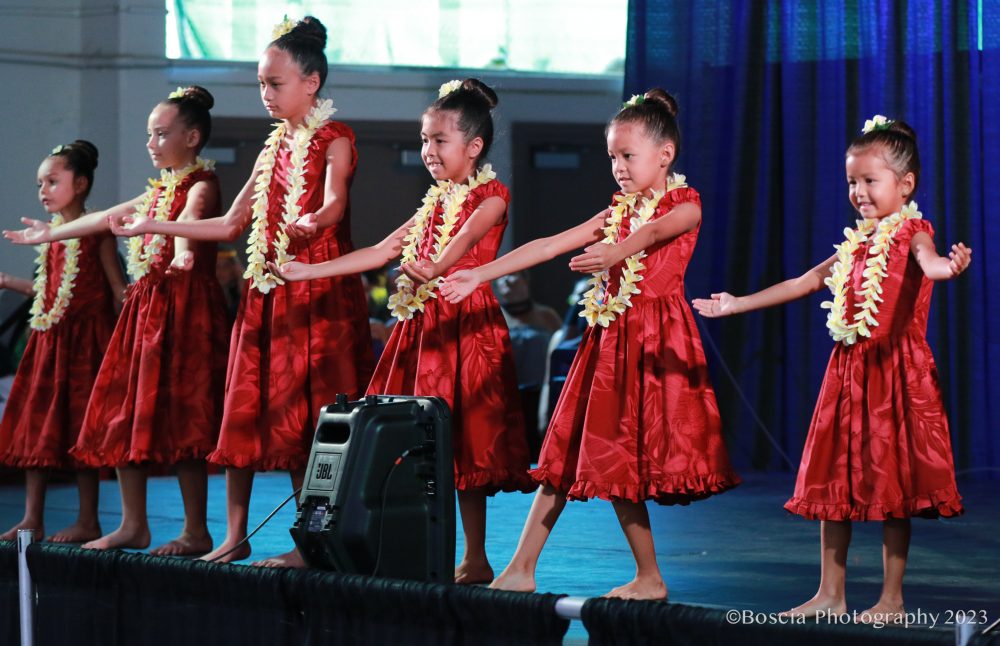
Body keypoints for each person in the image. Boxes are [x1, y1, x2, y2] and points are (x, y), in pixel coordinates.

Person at [441, 89, 739, 599]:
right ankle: (523, 568)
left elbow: (659, 232)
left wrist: (617, 250)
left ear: (664, 155)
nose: (619, 167)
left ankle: (646, 577)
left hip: (651, 344)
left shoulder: (684, 202)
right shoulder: (614, 212)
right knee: (563, 451)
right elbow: (546, 245)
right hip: (606, 343)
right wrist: (477, 276)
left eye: (629, 156)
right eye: (612, 158)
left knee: (619, 461)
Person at [113, 17, 373, 566]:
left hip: (317, 292)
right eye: (260, 83)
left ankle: (312, 541)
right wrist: (154, 226)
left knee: (310, 422)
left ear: (312, 83)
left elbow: (334, 201)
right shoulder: (269, 151)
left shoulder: (337, 139)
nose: (265, 94)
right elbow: (231, 224)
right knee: (245, 408)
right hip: (266, 292)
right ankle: (234, 536)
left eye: (275, 84)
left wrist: (315, 220)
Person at [693, 115, 970, 621]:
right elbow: (803, 281)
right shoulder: (855, 243)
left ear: (905, 185)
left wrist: (946, 269)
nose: (859, 192)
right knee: (833, 480)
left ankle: (891, 599)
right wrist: (737, 303)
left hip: (895, 373)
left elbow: (929, 262)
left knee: (893, 487)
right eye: (851, 182)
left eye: (870, 181)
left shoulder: (913, 232)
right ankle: (830, 593)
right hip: (848, 372)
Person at [270, 78, 534, 584]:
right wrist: (307, 271)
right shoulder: (432, 203)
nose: (428, 151)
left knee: (465, 442)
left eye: (439, 140)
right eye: (424, 140)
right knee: (414, 442)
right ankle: (409, 543)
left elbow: (465, 240)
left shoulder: (493, 195)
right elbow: (381, 251)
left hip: (465, 328)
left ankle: (474, 556)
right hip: (420, 330)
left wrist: (436, 267)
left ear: (473, 147)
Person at [6, 87, 229, 555]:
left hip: (184, 311)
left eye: (161, 133)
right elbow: (105, 217)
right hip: (146, 311)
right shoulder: (158, 189)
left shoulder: (200, 185)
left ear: (191, 137)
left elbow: (191, 220)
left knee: (185, 419)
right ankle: (133, 525)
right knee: (124, 413)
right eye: (149, 133)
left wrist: (185, 256)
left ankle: (195, 530)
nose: (151, 142)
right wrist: (50, 233)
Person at [0, 140, 124, 542]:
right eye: (40, 183)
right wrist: (6, 282)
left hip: (84, 349)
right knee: (36, 428)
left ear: (82, 184)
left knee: (80, 432)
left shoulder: (98, 233)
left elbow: (117, 290)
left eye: (53, 181)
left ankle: (89, 519)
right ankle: (32, 517)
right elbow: (49, 292)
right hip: (48, 344)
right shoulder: (48, 236)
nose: (43, 191)